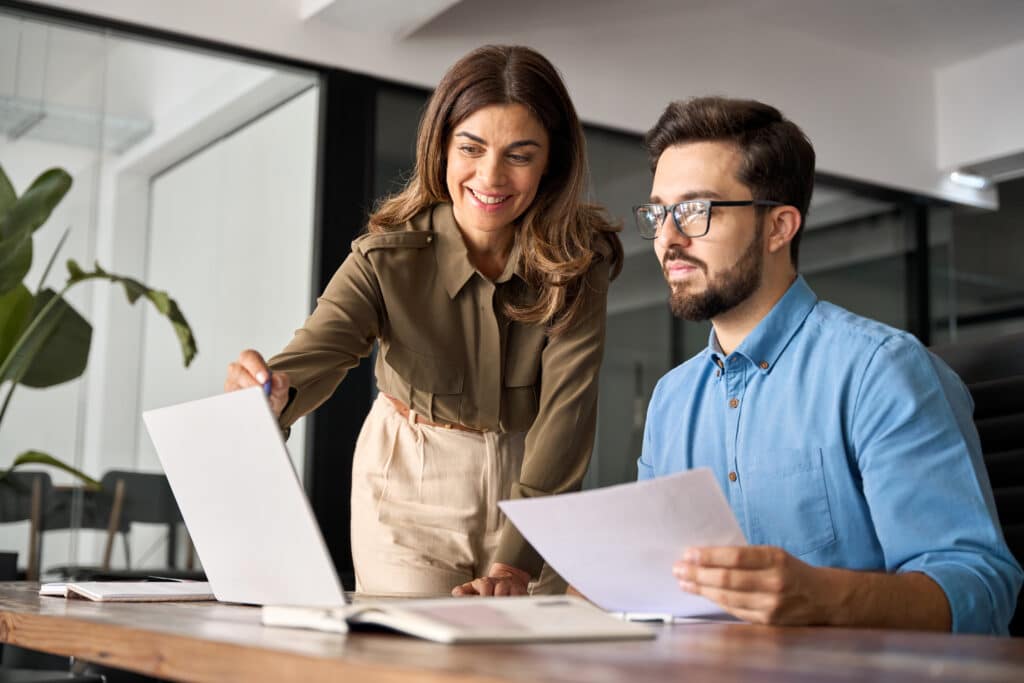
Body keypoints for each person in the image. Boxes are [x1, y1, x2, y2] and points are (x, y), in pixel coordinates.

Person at [224, 45, 622, 597]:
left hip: (537, 481)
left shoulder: (580, 260)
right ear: (441, 148)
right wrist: (267, 392)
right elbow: (316, 354)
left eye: (520, 155)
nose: (491, 175)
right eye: (471, 148)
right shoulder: (386, 258)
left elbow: (568, 413)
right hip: (411, 482)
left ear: (551, 161)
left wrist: (517, 562)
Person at [633, 96, 1022, 634]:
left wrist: (826, 598)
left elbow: (980, 587)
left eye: (696, 211)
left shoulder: (882, 371)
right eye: (658, 213)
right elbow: (656, 581)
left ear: (779, 227)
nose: (667, 239)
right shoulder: (670, 401)